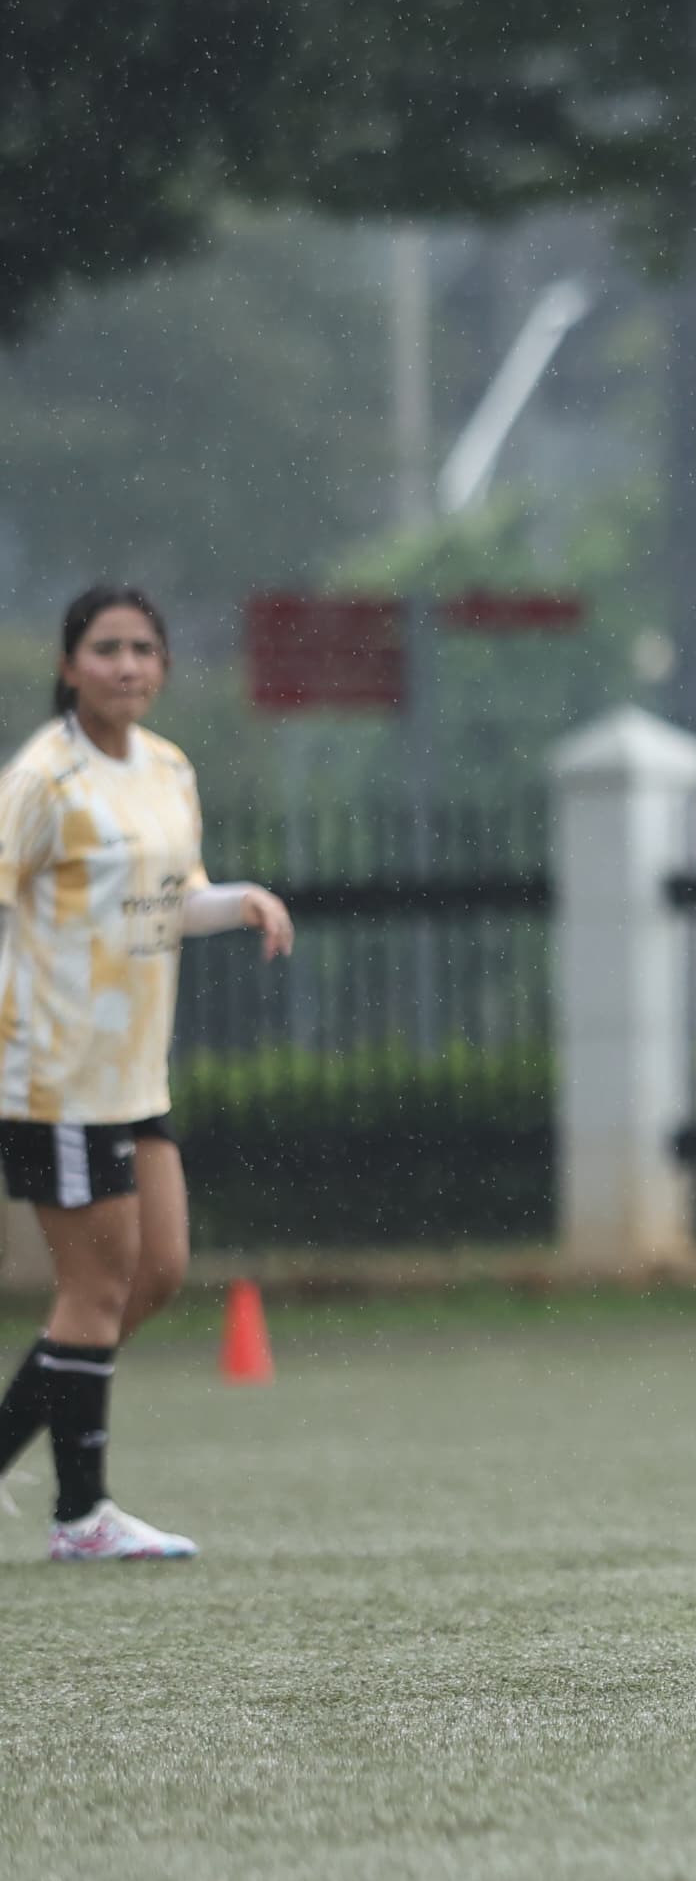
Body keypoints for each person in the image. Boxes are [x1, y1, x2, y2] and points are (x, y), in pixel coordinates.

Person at [0, 585, 294, 1559]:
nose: (126, 664)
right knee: (94, 1285)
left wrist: (242, 899)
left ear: (163, 665)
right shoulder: (45, 778)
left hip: (135, 1072)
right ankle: (81, 1517)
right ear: (69, 664)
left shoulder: (168, 767)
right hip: (56, 1070)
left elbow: (177, 899)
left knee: (156, 1273)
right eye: (105, 647)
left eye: (143, 648)